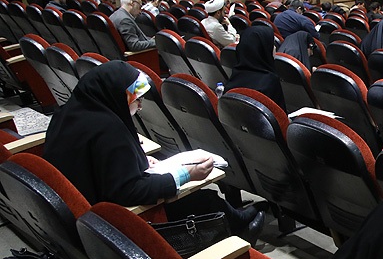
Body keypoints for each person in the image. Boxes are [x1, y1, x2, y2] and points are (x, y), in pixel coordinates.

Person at [42, 61, 264, 241]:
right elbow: (129, 191)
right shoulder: (108, 130)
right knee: (204, 200)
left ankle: (238, 220)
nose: (140, 106)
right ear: (115, 96)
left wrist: (137, 160)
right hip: (111, 224)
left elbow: (97, 164)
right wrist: (186, 175)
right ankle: (242, 231)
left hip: (77, 216)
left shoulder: (69, 113)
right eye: (136, 99)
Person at [225, 25, 287, 113]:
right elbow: (280, 116)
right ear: (263, 49)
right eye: (271, 44)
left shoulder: (235, 75)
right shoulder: (270, 81)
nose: (274, 47)